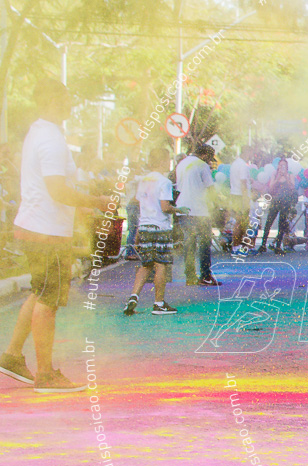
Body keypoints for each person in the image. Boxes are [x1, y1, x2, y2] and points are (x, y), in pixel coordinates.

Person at [0, 77, 112, 393]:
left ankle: (11, 356)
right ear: (52, 99)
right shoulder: (50, 138)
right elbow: (57, 189)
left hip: (37, 227)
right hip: (46, 232)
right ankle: (46, 375)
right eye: (65, 96)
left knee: (39, 292)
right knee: (48, 299)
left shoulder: (40, 131)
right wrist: (95, 202)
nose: (70, 102)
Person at [123, 147, 186, 316]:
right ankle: (158, 303)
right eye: (167, 159)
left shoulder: (144, 180)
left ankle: (133, 297)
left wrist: (137, 229)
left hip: (144, 226)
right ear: (163, 161)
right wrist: (179, 210)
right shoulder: (163, 181)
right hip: (160, 227)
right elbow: (165, 207)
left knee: (146, 265)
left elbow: (138, 202)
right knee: (161, 265)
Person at [174, 144, 219, 286]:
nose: (210, 162)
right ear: (205, 155)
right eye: (209, 158)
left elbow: (180, 187)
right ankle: (205, 275)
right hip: (199, 210)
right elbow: (210, 188)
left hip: (183, 208)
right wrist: (215, 205)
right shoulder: (202, 165)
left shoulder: (182, 163)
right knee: (204, 243)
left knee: (189, 243)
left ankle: (190, 276)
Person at [257, 160, 296, 255]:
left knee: (282, 224)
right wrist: (278, 177)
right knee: (269, 222)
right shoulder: (275, 174)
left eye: (284, 165)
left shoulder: (290, 175)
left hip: (285, 202)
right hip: (275, 201)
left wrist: (286, 177)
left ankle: (278, 246)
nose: (282, 167)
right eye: (280, 165)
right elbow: (271, 187)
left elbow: (292, 187)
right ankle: (263, 245)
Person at [228, 147, 252, 251]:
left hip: (235, 194)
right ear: (246, 152)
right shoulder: (243, 165)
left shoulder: (235, 163)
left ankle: (238, 245)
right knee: (240, 222)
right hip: (240, 196)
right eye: (251, 153)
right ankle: (237, 246)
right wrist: (246, 198)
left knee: (240, 221)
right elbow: (243, 183)